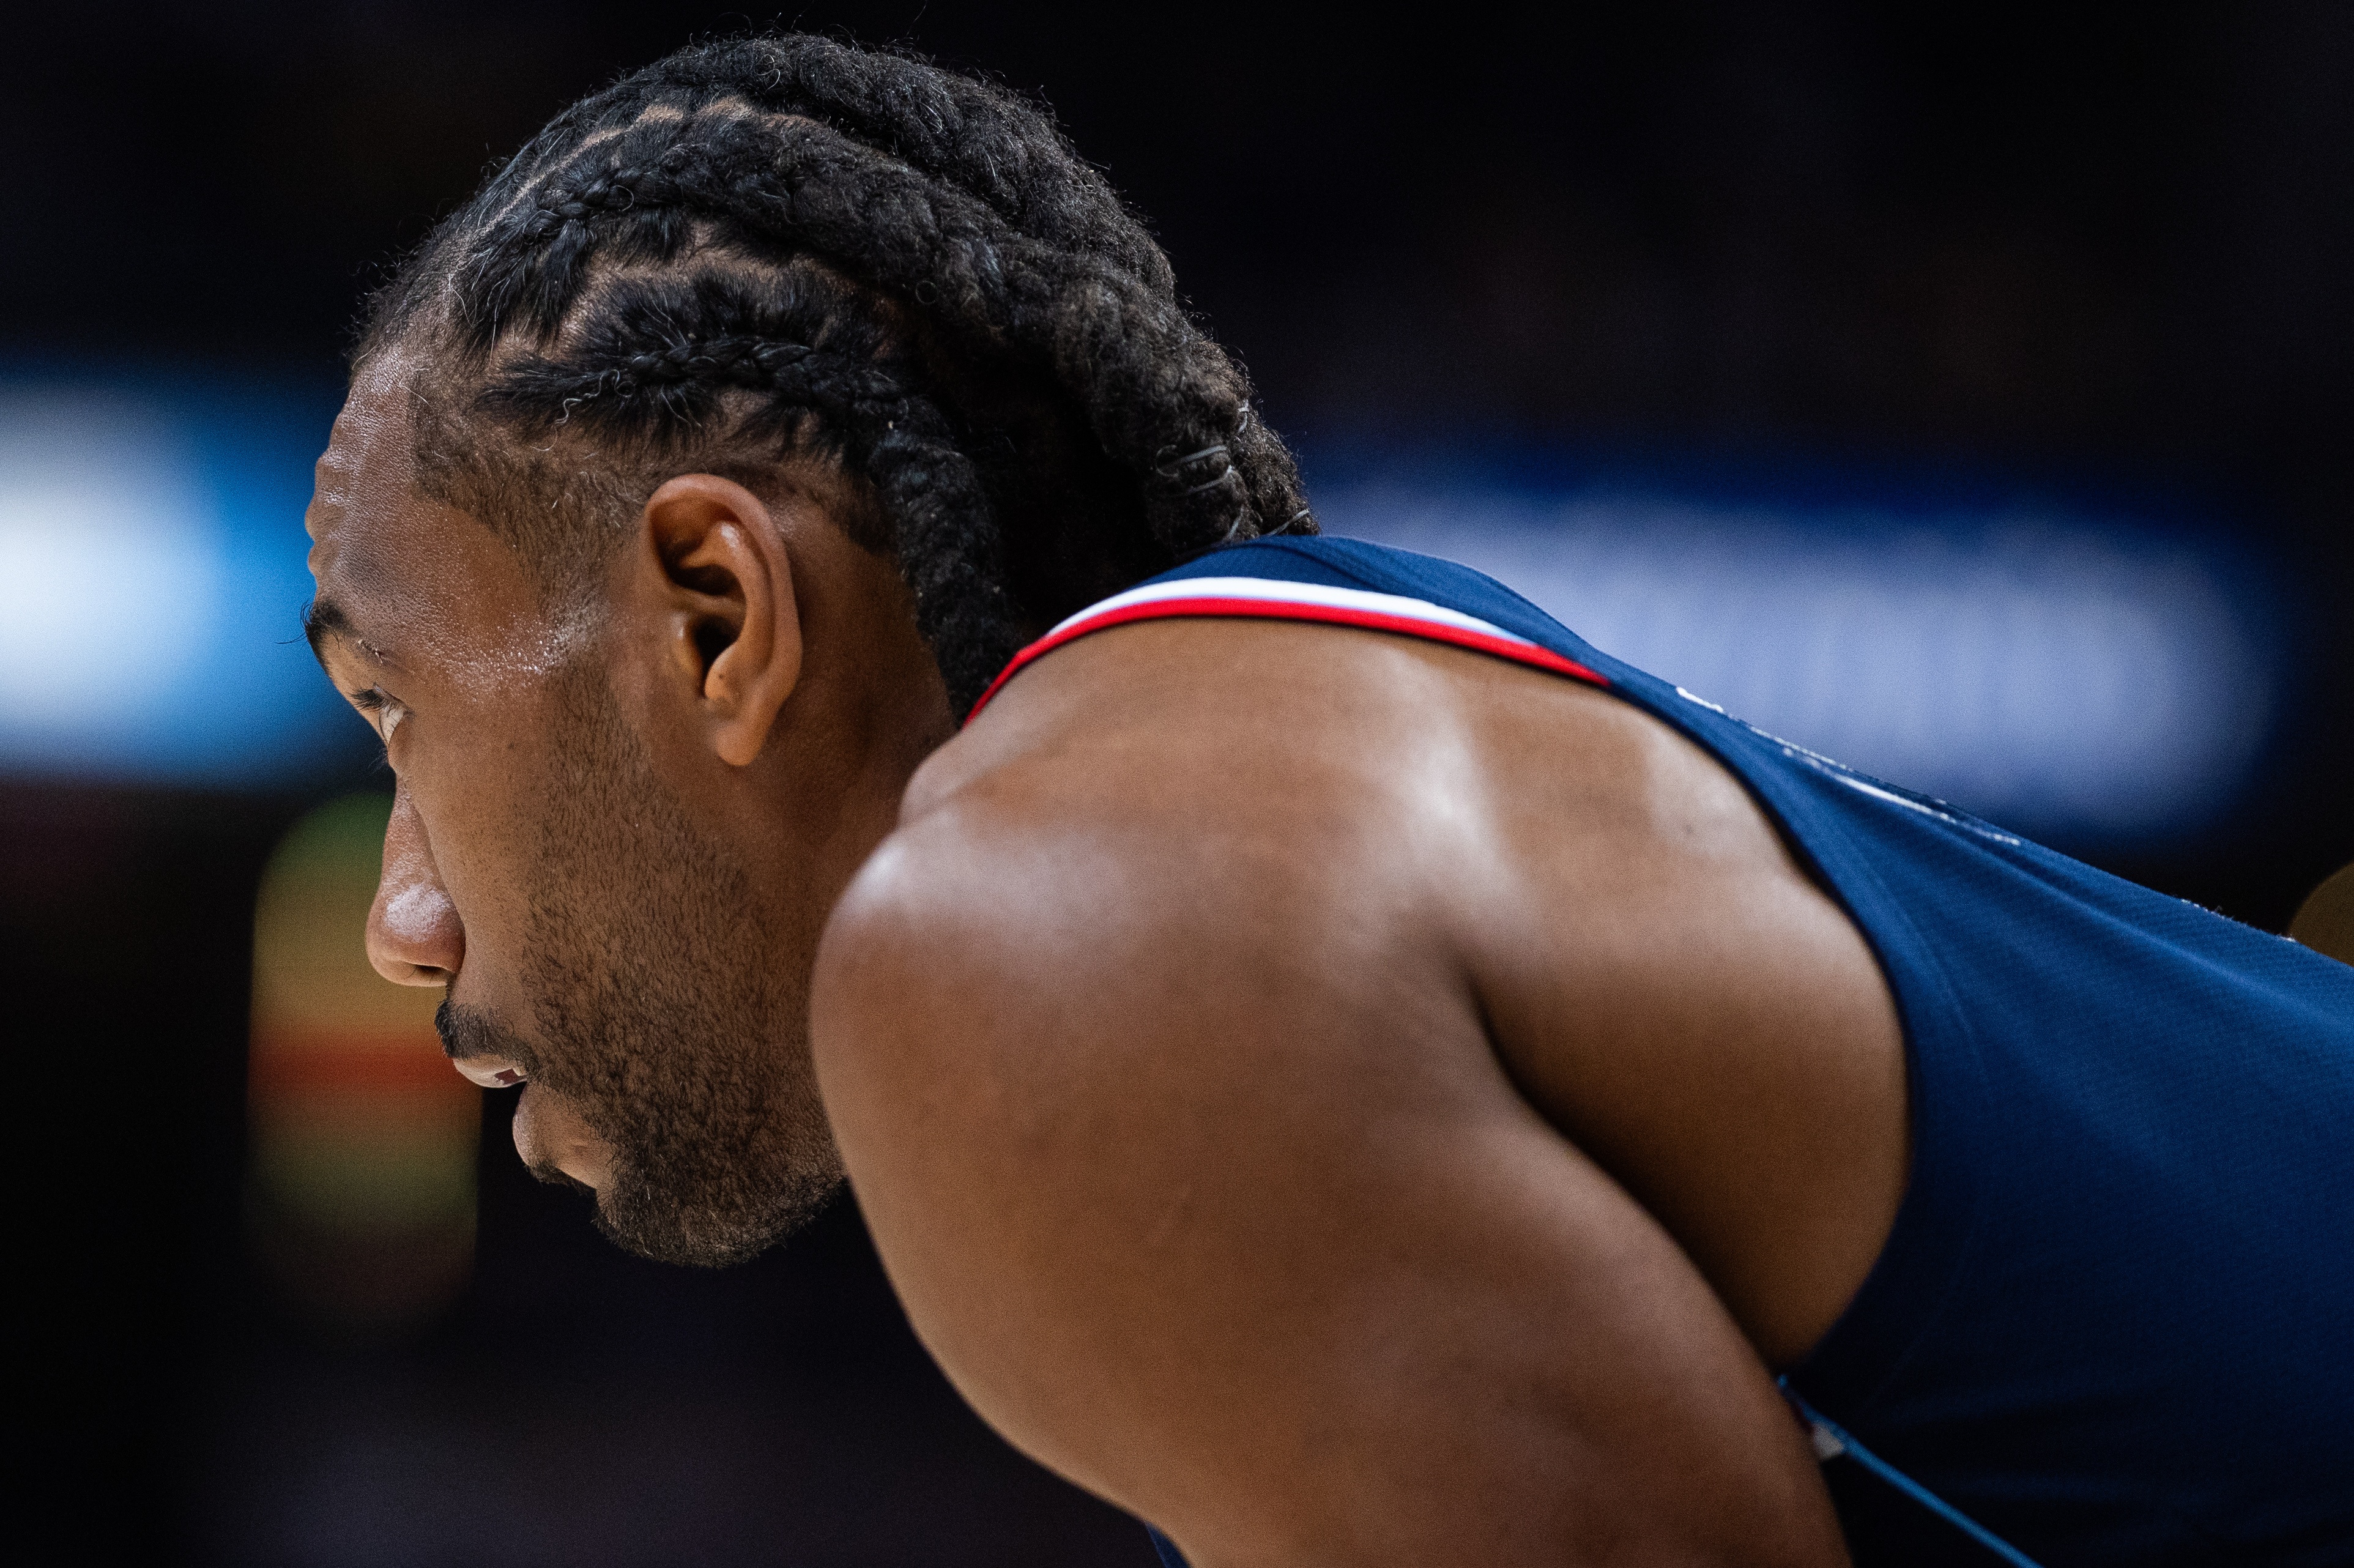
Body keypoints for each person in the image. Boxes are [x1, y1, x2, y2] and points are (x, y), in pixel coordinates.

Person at [303, 34, 2353, 1568]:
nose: (402, 917)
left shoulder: (1040, 925)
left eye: (395, 707)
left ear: (714, 614)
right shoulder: (1254, 748)